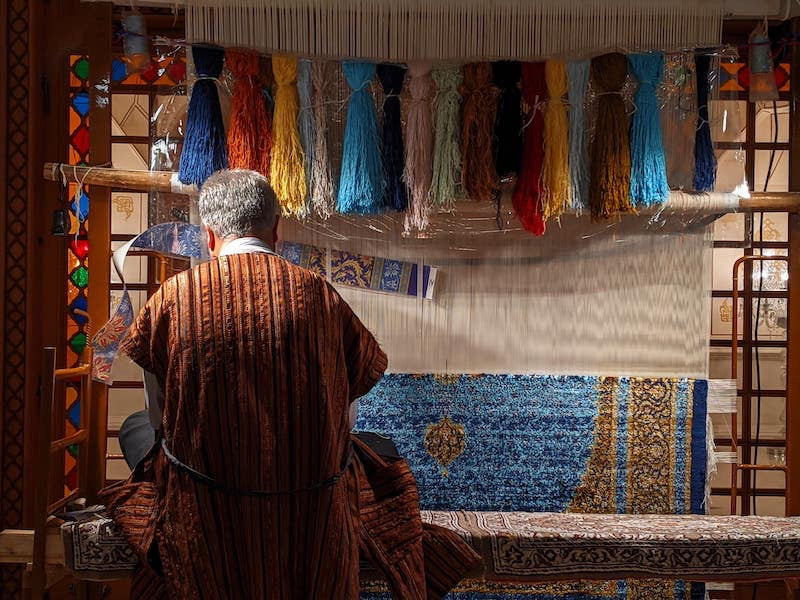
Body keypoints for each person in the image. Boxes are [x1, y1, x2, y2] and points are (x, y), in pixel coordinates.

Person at [103, 169, 388, 599]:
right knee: (375, 448)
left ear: (210, 235)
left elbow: (161, 418)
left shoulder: (173, 298)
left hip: (205, 511)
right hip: (310, 507)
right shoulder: (321, 296)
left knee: (136, 429)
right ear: (277, 230)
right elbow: (347, 414)